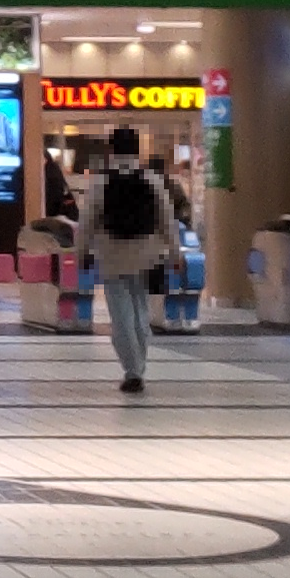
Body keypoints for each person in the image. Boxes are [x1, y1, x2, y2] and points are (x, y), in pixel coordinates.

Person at [80, 129, 167, 394]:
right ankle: (139, 365)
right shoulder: (151, 179)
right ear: (136, 149)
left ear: (112, 150)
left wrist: (82, 252)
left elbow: (87, 223)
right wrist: (174, 252)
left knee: (121, 314)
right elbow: (166, 219)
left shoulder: (101, 182)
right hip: (146, 252)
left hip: (112, 253)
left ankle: (133, 371)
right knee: (140, 309)